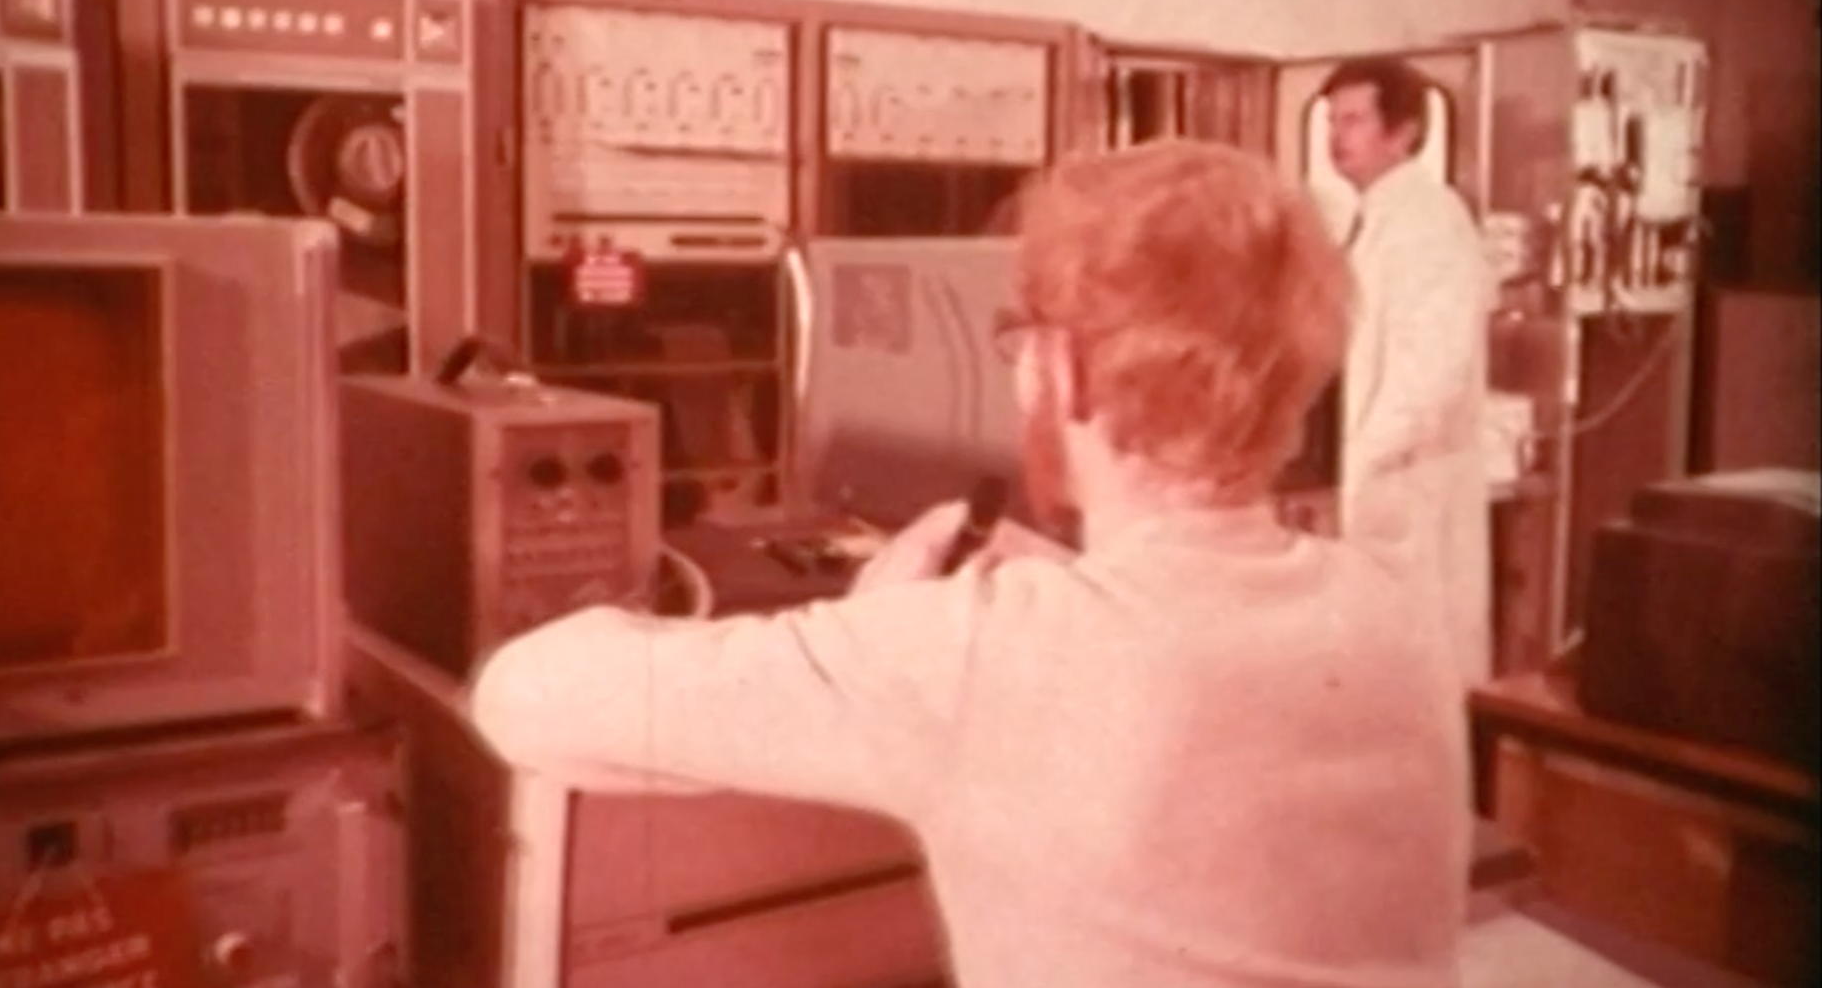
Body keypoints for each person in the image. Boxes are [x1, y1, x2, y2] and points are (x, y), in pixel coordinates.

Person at [469, 140, 1472, 988]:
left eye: (1020, 339)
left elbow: (521, 694)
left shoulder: (980, 649)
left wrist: (876, 627)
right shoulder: (1393, 610)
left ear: (1064, 371)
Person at [1320, 57, 1495, 687]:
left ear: (1403, 132)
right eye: (1332, 121)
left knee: (1424, 662)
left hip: (1411, 477)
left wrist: (1370, 456)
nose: (1336, 136)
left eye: (1354, 121)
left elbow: (1433, 371)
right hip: (1385, 476)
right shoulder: (1373, 218)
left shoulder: (1430, 221)